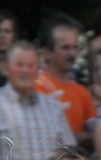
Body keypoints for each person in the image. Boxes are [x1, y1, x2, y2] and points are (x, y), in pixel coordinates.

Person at [36, 14, 97, 151]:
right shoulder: (37, 87)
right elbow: (48, 137)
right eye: (65, 48)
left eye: (75, 47)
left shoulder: (82, 91)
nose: (72, 53)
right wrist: (85, 136)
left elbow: (97, 134)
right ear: (47, 53)